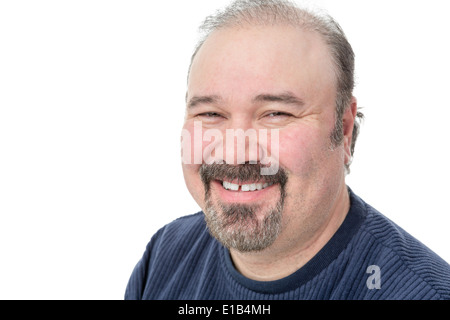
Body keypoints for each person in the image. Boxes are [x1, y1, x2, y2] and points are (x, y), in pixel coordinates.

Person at [125, 0, 450, 300]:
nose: (236, 154)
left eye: (276, 114)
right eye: (210, 114)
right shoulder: (166, 256)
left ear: (345, 128)